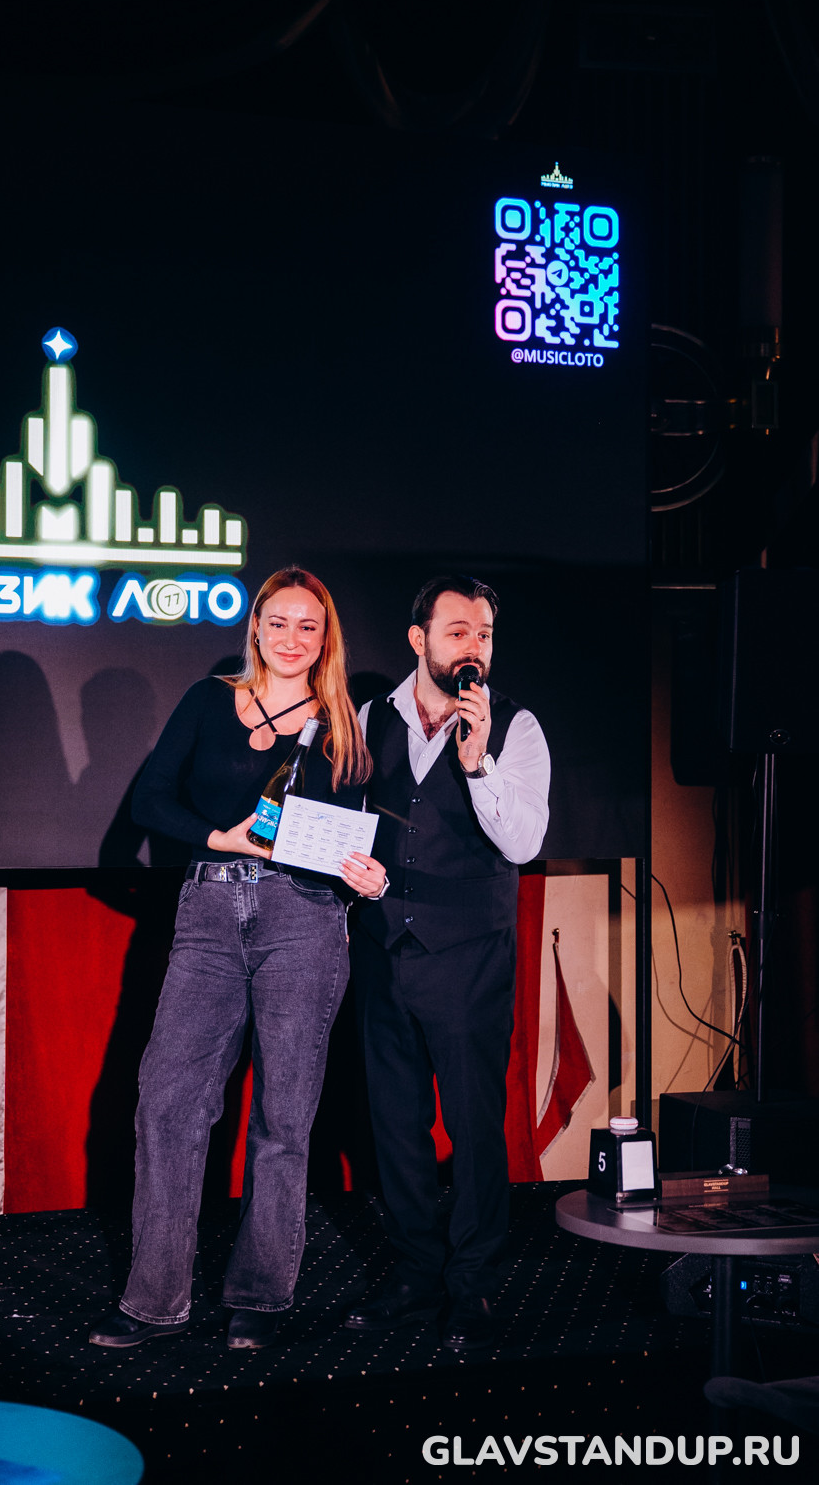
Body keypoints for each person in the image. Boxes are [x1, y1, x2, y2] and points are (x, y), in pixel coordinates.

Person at [89, 567, 386, 1353]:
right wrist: (217, 837)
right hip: (209, 912)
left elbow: (351, 837)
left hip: (304, 918)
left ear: (325, 640)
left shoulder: (343, 725)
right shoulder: (206, 700)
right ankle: (153, 1301)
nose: (292, 638)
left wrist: (368, 877)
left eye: (308, 626)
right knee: (167, 1104)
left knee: (283, 1119)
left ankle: (259, 1296)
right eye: (279, 622)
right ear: (255, 627)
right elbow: (149, 803)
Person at [345, 573, 550, 1351]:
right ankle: (415, 1276)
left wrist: (477, 763)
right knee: (396, 1128)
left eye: (484, 634)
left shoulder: (516, 727)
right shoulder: (368, 717)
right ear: (419, 639)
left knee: (472, 1126)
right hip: (383, 951)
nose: (474, 647)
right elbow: (342, 820)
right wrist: (347, 870)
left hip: (469, 958)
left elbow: (523, 844)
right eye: (458, 631)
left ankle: (474, 1284)